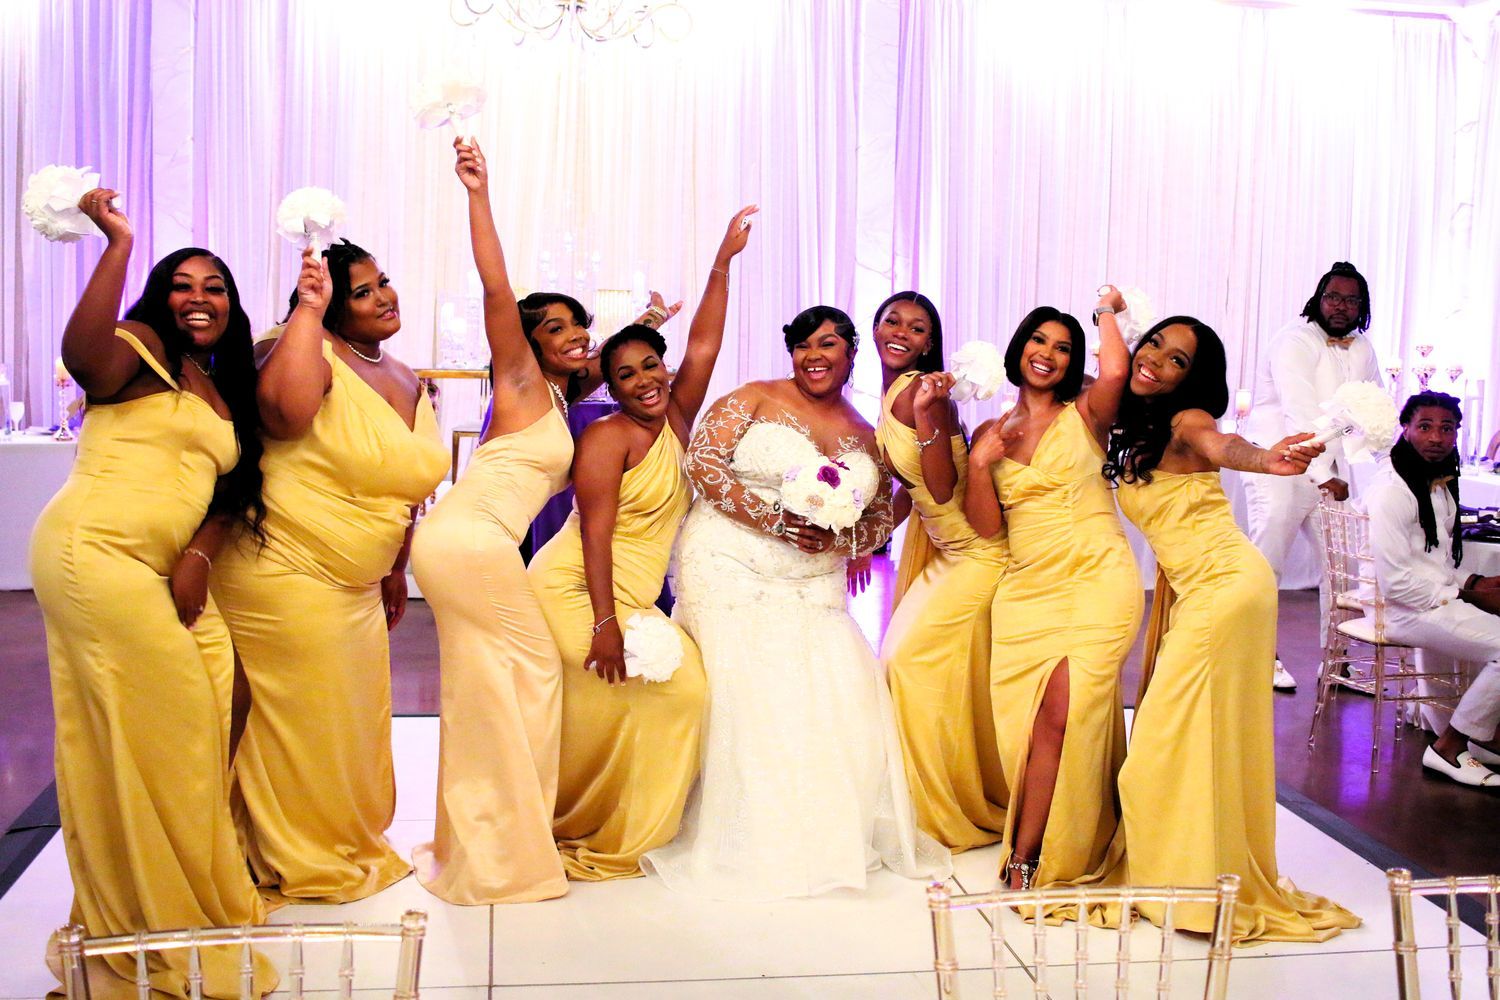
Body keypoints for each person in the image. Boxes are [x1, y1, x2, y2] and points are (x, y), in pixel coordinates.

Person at [33, 189, 276, 994]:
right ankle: (149, 917)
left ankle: (188, 880)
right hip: (95, 554)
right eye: (182, 284)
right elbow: (81, 356)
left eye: (215, 287)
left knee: (225, 698)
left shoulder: (218, 383)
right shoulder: (136, 346)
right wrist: (118, 245)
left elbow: (230, 492)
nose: (198, 299)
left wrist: (200, 554)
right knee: (159, 734)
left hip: (161, 564)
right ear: (157, 297)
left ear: (232, 305)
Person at [641, 306, 951, 898]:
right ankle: (741, 834)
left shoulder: (868, 434)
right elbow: (702, 464)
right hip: (728, 562)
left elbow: (881, 517)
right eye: (803, 344)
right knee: (750, 683)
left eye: (828, 344)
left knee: (839, 679)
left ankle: (819, 834)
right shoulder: (754, 398)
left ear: (851, 353)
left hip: (814, 579)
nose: (814, 355)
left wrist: (838, 539)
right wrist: (777, 521)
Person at [1098, 314, 1360, 943]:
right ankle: (1193, 873)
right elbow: (1105, 372)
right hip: (1211, 591)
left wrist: (1266, 460)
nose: (1157, 359)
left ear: (1193, 379)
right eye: (1154, 344)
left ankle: (1189, 886)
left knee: (1159, 742)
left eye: (1178, 359)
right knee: (1192, 735)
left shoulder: (1188, 422)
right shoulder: (1139, 422)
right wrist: (1108, 312)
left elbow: (1225, 446)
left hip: (1227, 588)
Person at [210, 241, 449, 903]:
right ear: (327, 307)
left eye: (383, 282)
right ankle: (286, 850)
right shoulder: (301, 350)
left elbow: (403, 490)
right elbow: (286, 417)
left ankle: (337, 836)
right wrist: (308, 316)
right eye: (362, 292)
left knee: (350, 717)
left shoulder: (403, 374)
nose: (384, 297)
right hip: (283, 568)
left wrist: (395, 566)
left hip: (358, 583)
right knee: (300, 720)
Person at [529, 204, 756, 878]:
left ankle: (619, 817)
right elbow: (594, 536)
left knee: (676, 693)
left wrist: (721, 264)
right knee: (673, 693)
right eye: (625, 375)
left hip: (629, 599)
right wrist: (605, 624)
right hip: (577, 588)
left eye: (651, 365)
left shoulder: (677, 418)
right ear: (612, 385)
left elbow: (705, 346)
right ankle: (587, 822)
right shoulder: (607, 437)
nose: (644, 380)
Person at [408, 138, 575, 904]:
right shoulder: (520, 378)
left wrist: (654, 316)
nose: (573, 335)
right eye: (556, 328)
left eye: (578, 325)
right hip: (470, 542)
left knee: (486, 689)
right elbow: (497, 289)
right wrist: (479, 193)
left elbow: (626, 359)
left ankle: (482, 841)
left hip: (463, 541)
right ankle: (508, 852)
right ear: (528, 344)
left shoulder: (560, 396)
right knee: (535, 674)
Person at [964, 291, 1140, 893]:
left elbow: (1115, 370)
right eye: (1039, 340)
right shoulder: (991, 431)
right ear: (1020, 348)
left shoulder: (1088, 412)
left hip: (1097, 577)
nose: (1048, 354)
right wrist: (978, 465)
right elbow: (987, 526)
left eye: (1063, 348)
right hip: (1026, 589)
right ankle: (1064, 830)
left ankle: (1028, 855)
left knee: (1062, 713)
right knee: (1033, 724)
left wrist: (1107, 310)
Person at [871, 291, 1009, 851]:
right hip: (948, 553)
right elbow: (911, 490)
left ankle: (938, 807)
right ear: (875, 328)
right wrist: (868, 539)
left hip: (977, 553)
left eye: (916, 327)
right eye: (892, 321)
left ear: (930, 342)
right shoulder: (893, 392)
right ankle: (930, 790)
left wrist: (929, 414)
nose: (900, 332)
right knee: (926, 671)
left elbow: (944, 487)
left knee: (905, 662)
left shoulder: (921, 394)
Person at [1243, 262, 1383, 690]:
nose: (1341, 306)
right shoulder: (1294, 341)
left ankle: (1338, 663)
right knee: (1266, 564)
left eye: (1351, 300)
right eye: (1333, 297)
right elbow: (1299, 411)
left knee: (1342, 567)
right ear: (1318, 299)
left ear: (1362, 306)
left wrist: (1386, 464)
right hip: (1277, 463)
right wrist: (1323, 474)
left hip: (1330, 467)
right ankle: (1257, 658)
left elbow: (1374, 408)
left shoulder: (1363, 348)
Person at [1363, 391, 1500, 787]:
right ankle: (1448, 747)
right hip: (1398, 609)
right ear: (1405, 429)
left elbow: (1435, 562)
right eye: (1425, 427)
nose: (1437, 437)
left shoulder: (1436, 482)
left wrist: (1474, 582)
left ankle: (1480, 737)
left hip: (1428, 599)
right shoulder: (1392, 490)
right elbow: (1395, 584)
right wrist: (1468, 596)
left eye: (1447, 428)